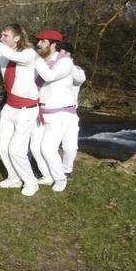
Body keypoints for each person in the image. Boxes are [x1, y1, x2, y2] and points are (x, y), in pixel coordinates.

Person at [0, 24, 41, 196]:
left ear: (17, 38)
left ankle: (31, 182)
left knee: (16, 149)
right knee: (1, 146)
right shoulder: (4, 55)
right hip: (9, 107)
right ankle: (14, 177)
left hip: (26, 109)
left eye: (5, 35)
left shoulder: (29, 54)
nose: (2, 38)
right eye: (1, 35)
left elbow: (14, 56)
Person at [29, 31, 76, 193]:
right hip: (40, 110)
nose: (39, 44)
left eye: (43, 42)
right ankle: (47, 175)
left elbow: (49, 76)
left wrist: (36, 60)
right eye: (38, 41)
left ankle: (60, 178)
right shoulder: (39, 61)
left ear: (53, 45)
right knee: (35, 148)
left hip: (60, 112)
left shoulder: (65, 63)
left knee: (48, 148)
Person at [57, 41, 86, 180]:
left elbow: (80, 79)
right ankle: (41, 168)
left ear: (70, 55)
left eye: (65, 53)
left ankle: (67, 171)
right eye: (59, 52)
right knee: (43, 146)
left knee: (70, 147)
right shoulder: (50, 66)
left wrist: (68, 64)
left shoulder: (76, 70)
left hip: (70, 114)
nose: (61, 55)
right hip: (50, 112)